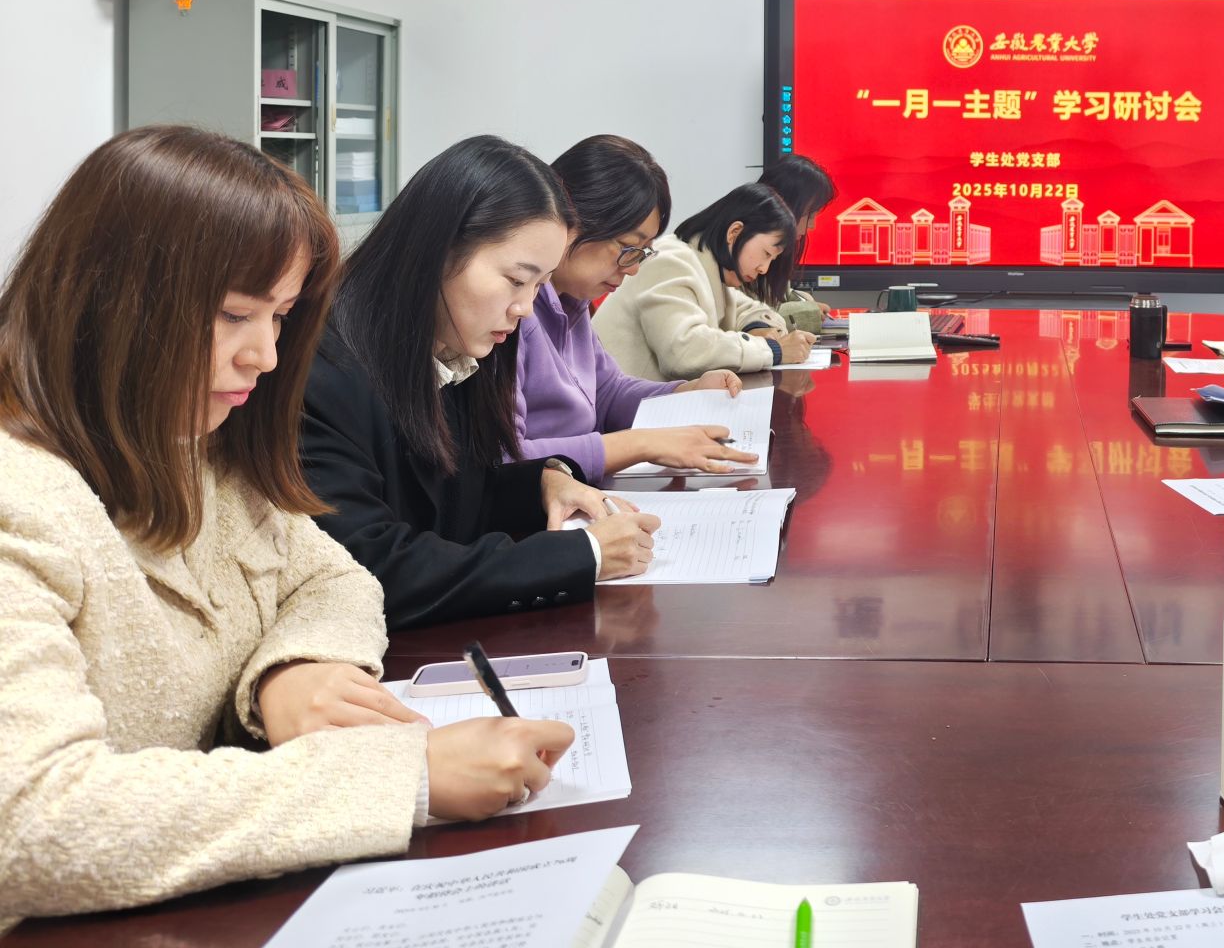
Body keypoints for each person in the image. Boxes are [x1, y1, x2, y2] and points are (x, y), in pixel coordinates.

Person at [0, 127, 573, 927]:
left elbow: (336, 576)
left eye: (280, 317)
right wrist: (402, 779)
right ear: (109, 299)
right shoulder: (22, 498)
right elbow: (31, 822)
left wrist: (294, 668)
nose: (265, 357)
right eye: (236, 314)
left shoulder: (197, 447)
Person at [301, 136, 660, 630]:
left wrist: (544, 483)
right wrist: (584, 555)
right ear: (439, 250)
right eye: (516, 280)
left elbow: (458, 496)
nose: (525, 308)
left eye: (539, 284)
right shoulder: (324, 370)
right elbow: (371, 564)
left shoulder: (456, 347)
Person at [518, 135, 754, 480]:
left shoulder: (572, 302)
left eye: (643, 252)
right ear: (568, 218)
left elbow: (608, 393)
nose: (633, 269)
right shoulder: (513, 312)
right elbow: (505, 461)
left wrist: (687, 393)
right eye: (629, 247)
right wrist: (639, 444)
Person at [595, 182, 816, 379]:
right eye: (766, 253)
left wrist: (758, 327)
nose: (764, 268)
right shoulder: (672, 261)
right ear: (735, 232)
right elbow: (684, 352)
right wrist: (772, 351)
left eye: (771, 260)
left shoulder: (710, 269)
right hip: (618, 409)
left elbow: (749, 309)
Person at [746, 152, 837, 316]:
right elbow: (745, 317)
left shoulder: (772, 251)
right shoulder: (744, 249)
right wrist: (804, 311)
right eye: (809, 215)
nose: (812, 226)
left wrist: (803, 302)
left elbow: (773, 298)